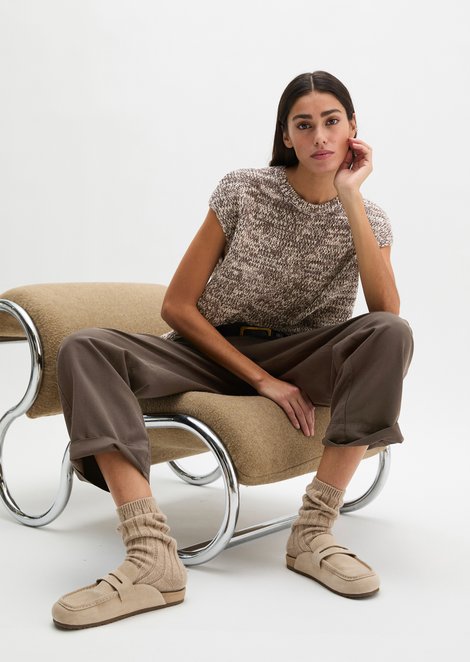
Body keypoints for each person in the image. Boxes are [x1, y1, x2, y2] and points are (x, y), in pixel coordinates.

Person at [51, 70, 414, 629]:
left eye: (331, 121)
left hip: (304, 354)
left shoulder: (370, 217)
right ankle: (150, 555)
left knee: (391, 333)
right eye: (304, 125)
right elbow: (178, 306)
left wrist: (351, 198)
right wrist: (262, 380)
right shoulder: (243, 190)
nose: (319, 136)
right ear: (286, 135)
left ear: (353, 129)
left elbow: (385, 311)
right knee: (84, 347)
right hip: (211, 350)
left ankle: (314, 532)